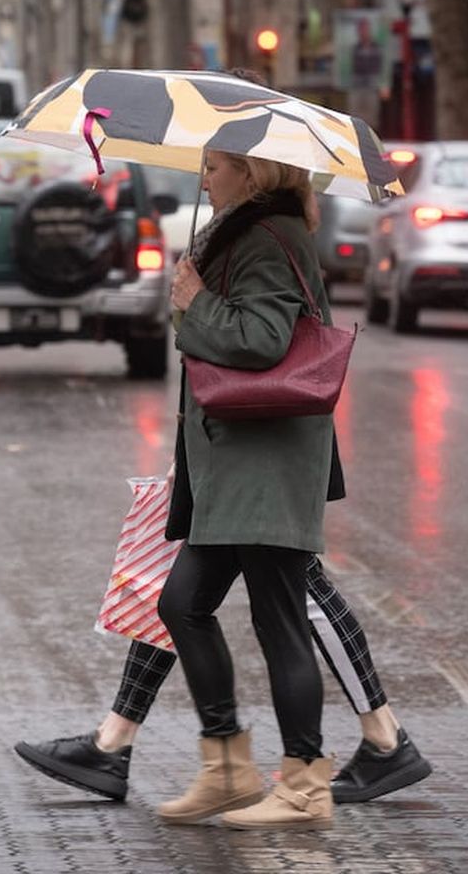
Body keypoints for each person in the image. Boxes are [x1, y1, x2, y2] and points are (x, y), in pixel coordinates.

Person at [152, 147, 364, 832]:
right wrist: (197, 299)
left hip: (263, 466)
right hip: (233, 466)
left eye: (215, 164)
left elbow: (264, 341)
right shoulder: (248, 234)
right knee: (181, 604)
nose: (204, 175)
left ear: (253, 173)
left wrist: (196, 303)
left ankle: (303, 785)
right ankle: (226, 768)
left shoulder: (271, 239)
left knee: (278, 621)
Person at [15, 557, 432, 806]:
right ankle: (114, 739)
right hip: (242, 443)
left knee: (295, 582)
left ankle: (380, 741)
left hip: (258, 445)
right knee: (183, 591)